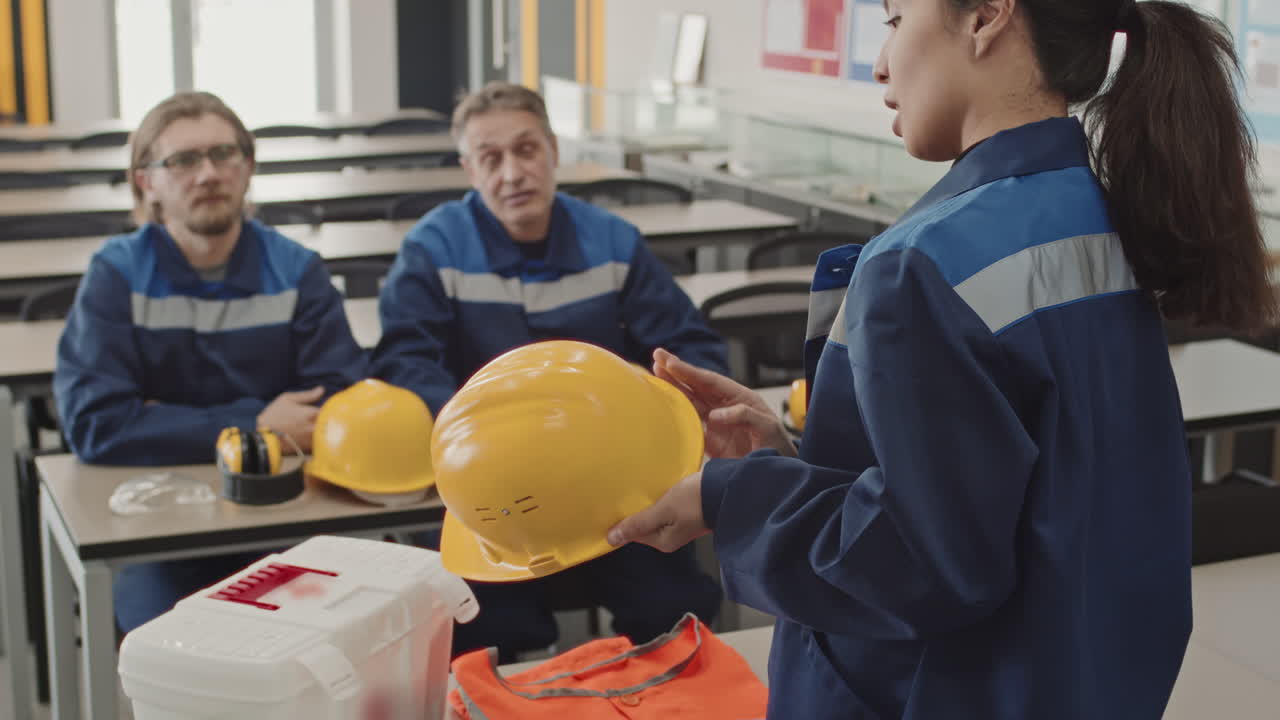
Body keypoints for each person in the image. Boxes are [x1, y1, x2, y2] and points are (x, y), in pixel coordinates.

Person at [608, 1, 1277, 718]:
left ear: (987, 15)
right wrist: (790, 463)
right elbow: (1020, 491)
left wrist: (729, 498)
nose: (881, 61)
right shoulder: (1102, 215)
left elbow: (923, 565)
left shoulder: (924, 265)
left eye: (895, 19)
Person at [370, 82, 726, 659]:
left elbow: (691, 348)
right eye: (490, 158)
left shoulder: (612, 241)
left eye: (526, 150)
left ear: (554, 151)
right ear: (468, 168)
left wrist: (650, 394)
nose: (512, 173)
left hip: (613, 488)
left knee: (676, 608)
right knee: (479, 634)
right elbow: (403, 363)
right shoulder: (433, 248)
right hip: (495, 503)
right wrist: (476, 436)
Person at [54, 91, 366, 632]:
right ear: (146, 181)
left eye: (224, 155)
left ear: (247, 168)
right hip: (157, 527)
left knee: (324, 645)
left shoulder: (298, 270)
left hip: (286, 516)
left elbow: (334, 407)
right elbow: (96, 424)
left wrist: (157, 417)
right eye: (183, 161)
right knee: (174, 646)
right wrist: (258, 423)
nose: (208, 174)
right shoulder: (117, 276)